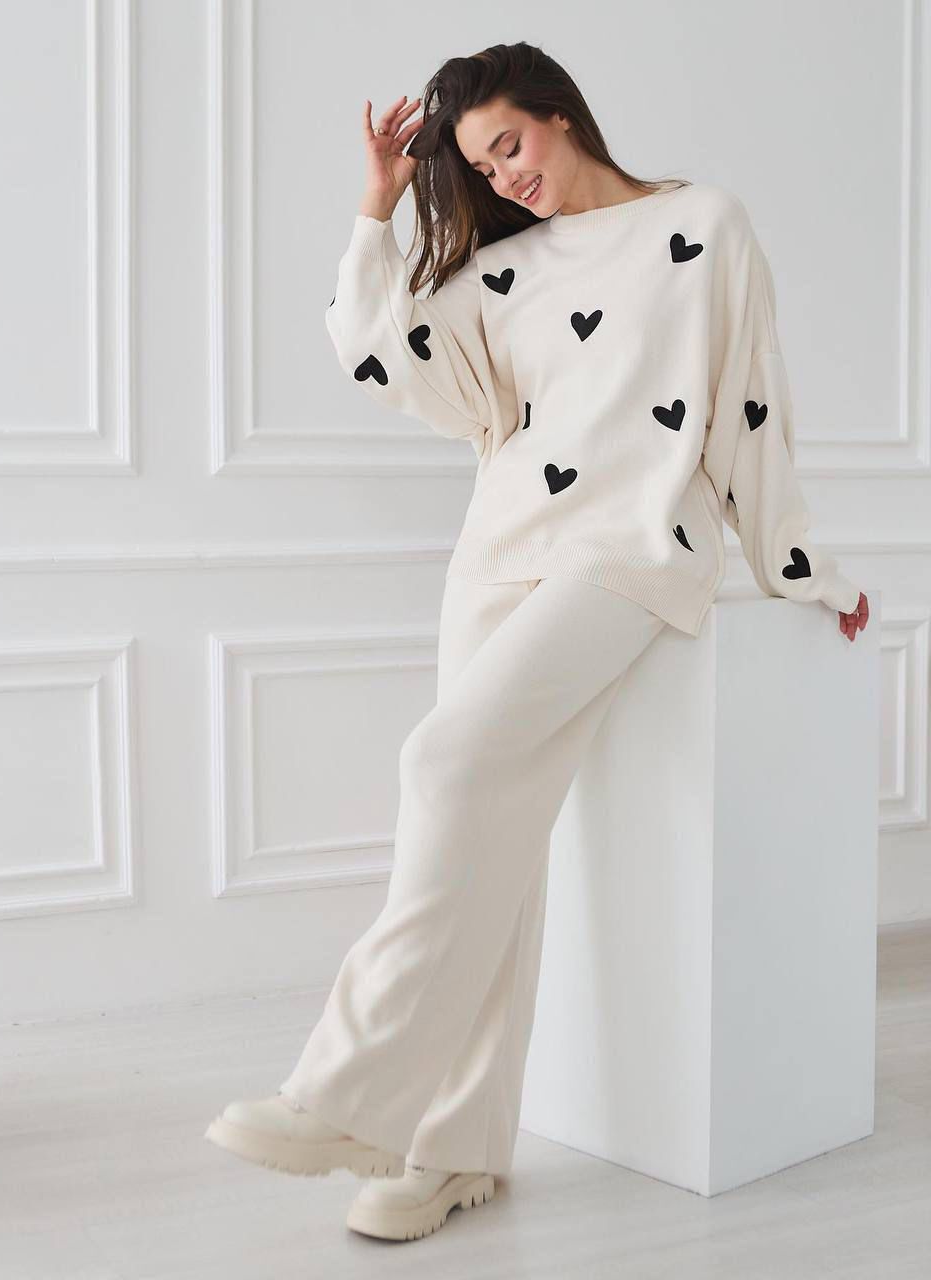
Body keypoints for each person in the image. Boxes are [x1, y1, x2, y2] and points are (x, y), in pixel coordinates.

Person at [204, 40, 870, 1242]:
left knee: (442, 761)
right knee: (482, 842)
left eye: (507, 144)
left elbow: (748, 404)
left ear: (560, 113)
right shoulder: (506, 273)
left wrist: (796, 564)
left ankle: (341, 1094)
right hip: (496, 553)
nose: (503, 176)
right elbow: (378, 351)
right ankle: (454, 1150)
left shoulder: (702, 226)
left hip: (629, 547)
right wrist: (376, 205)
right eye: (479, 167)